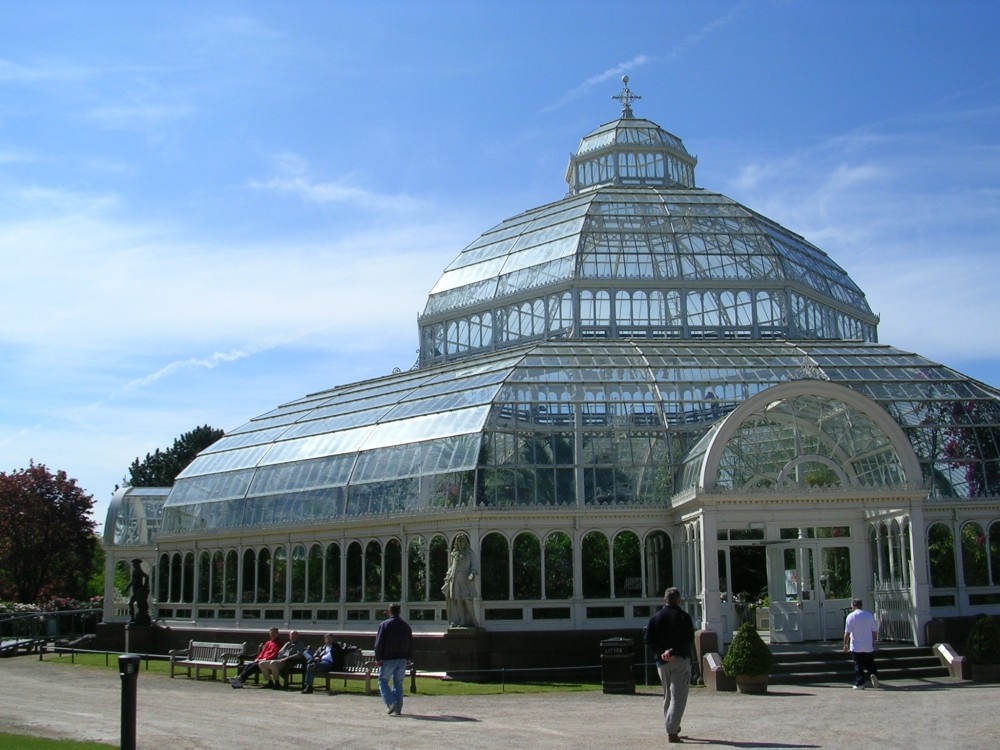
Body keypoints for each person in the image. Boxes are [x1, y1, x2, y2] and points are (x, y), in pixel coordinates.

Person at [644, 587, 695, 744]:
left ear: (665, 600)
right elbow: (688, 639)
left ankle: (672, 725)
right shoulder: (684, 617)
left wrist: (662, 653)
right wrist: (672, 651)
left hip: (662, 662)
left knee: (668, 696)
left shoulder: (655, 618)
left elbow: (648, 639)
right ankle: (672, 731)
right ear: (678, 600)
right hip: (680, 659)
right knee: (678, 697)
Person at [374, 603, 412, 716]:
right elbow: (410, 643)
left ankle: (391, 702)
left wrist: (378, 657)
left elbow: (379, 643)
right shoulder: (406, 626)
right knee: (398, 683)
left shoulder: (384, 625)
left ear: (389, 611)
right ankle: (398, 709)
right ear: (399, 612)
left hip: (388, 658)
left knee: (382, 680)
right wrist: (409, 657)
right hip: (402, 658)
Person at [843, 597, 880, 689]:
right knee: (870, 663)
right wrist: (872, 641)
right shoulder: (869, 615)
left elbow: (847, 633)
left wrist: (845, 644)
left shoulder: (851, 616)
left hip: (856, 646)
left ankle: (860, 683)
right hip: (868, 645)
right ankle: (873, 674)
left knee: (858, 664)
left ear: (854, 605)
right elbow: (874, 631)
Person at [442, 534, 477, 628]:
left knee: (467, 600)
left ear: (465, 542)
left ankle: (474, 620)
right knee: (458, 600)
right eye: (459, 542)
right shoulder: (454, 554)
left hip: (465, 579)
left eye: (462, 541)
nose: (460, 544)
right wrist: (447, 577)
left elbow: (474, 565)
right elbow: (452, 567)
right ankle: (462, 620)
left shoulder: (470, 553)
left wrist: (472, 574)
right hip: (455, 580)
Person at [124, 559, 151, 626]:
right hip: (136, 591)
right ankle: (133, 618)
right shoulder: (135, 571)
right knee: (134, 604)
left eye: (134, 564)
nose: (133, 565)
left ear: (137, 564)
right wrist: (128, 586)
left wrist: (144, 587)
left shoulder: (139, 571)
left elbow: (146, 577)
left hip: (138, 592)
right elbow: (133, 580)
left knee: (134, 603)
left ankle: (135, 618)